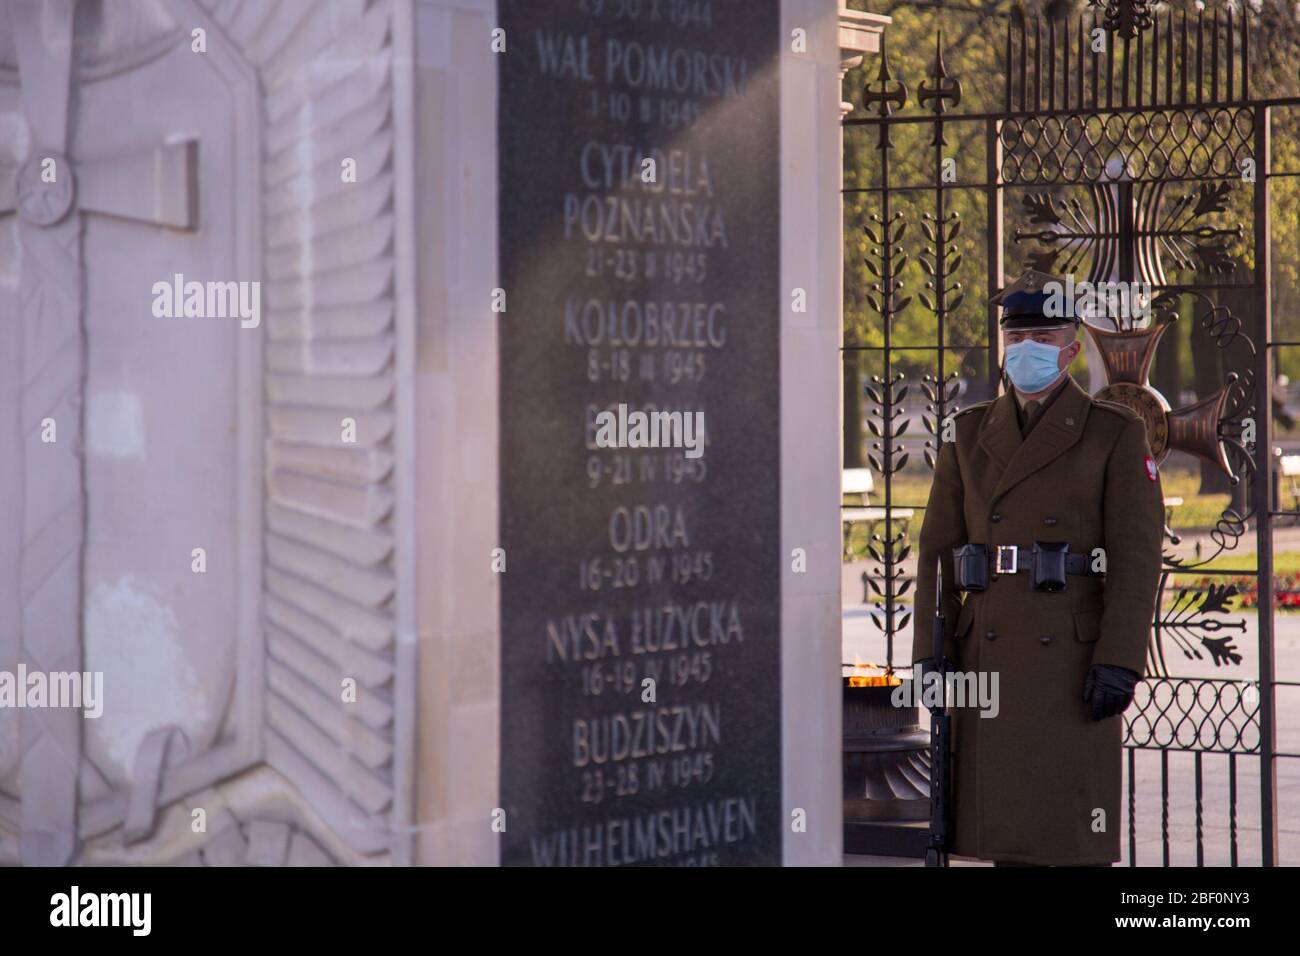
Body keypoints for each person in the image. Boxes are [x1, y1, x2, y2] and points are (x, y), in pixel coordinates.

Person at [913, 269, 1164, 866]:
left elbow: (1136, 558)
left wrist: (1120, 659)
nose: (1027, 350)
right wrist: (930, 651)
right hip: (989, 655)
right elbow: (937, 551)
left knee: (1067, 833)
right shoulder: (969, 433)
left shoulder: (1113, 433)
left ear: (1072, 350)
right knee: (1007, 837)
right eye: (1017, 339)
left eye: (1044, 339)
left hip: (1071, 663)